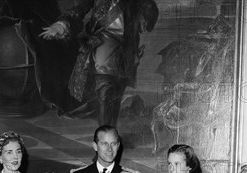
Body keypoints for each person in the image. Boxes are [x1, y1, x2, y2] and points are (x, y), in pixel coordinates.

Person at [40, 0, 159, 129]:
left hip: (127, 52)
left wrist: (145, 17)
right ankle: (104, 135)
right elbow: (79, 10)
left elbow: (149, 8)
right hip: (104, 48)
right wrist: (61, 25)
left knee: (117, 96)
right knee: (105, 95)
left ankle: (112, 134)